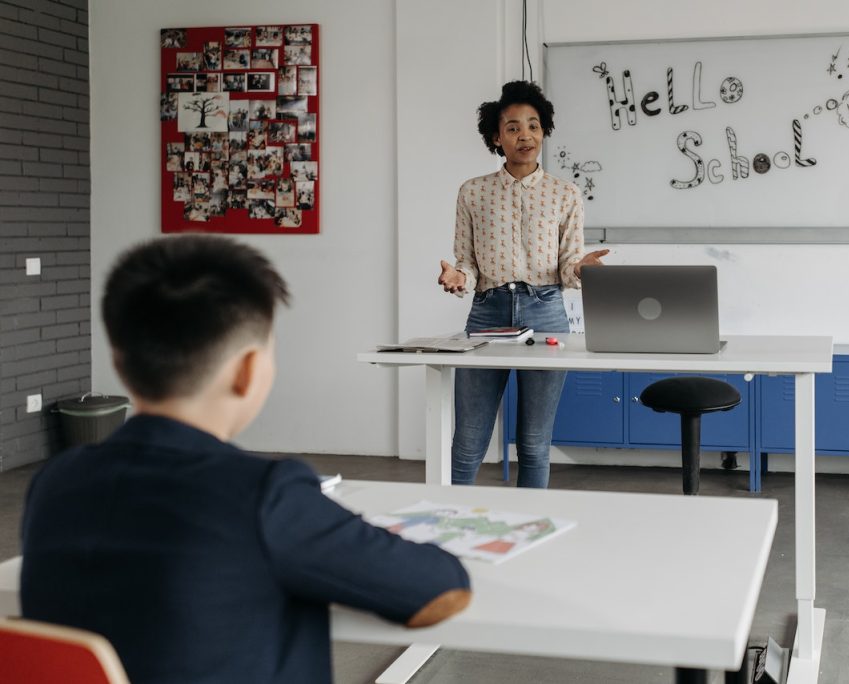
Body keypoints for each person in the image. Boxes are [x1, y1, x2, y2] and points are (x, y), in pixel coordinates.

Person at [20, 235, 471, 684]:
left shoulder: (56, 481)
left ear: (119, 362)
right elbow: (439, 587)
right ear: (247, 370)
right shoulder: (264, 495)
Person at [437, 80, 609, 489]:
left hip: (546, 312)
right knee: (467, 442)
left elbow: (567, 265)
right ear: (496, 137)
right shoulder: (473, 192)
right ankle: (448, 522)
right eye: (513, 127)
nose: (524, 135)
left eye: (533, 125)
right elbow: (468, 263)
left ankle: (530, 530)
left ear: (544, 132)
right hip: (487, 314)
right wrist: (458, 277)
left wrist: (581, 268)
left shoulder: (565, 194)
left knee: (533, 443)